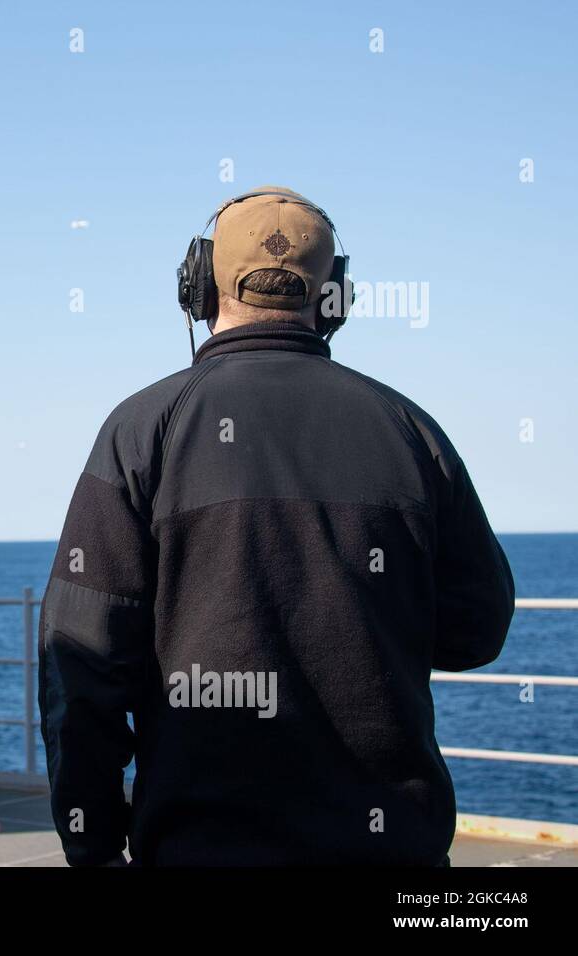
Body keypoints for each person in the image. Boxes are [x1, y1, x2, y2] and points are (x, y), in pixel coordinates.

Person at [38, 187, 515, 866]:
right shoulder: (412, 431)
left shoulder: (142, 430)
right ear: (337, 297)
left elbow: (79, 662)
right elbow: (477, 632)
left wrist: (91, 843)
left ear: (198, 285)